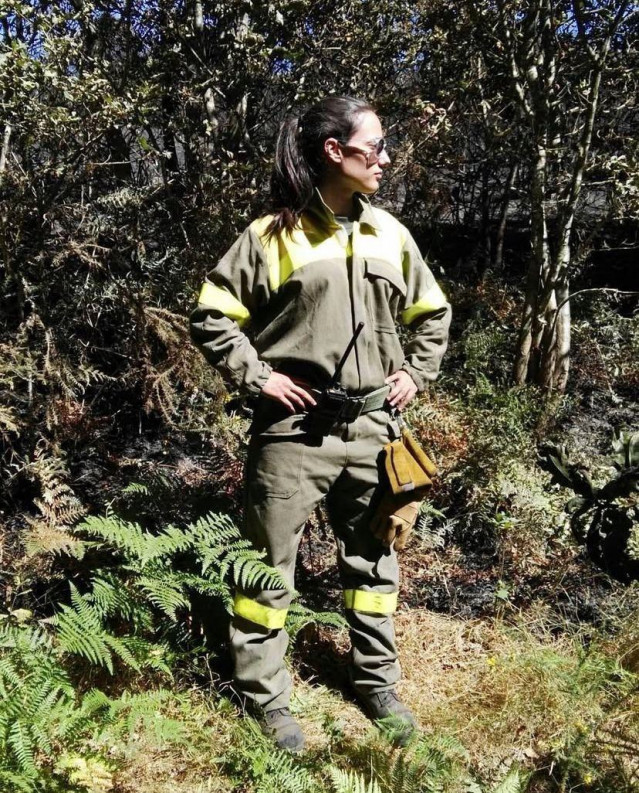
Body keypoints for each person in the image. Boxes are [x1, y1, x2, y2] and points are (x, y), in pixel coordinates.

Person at [190, 95, 451, 752]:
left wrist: (415, 373)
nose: (385, 158)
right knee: (264, 571)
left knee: (374, 563)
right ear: (335, 152)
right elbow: (213, 314)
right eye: (375, 146)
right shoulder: (269, 237)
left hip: (374, 431)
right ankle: (264, 700)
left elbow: (433, 312)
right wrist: (259, 378)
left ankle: (376, 683)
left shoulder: (390, 234)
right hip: (292, 435)